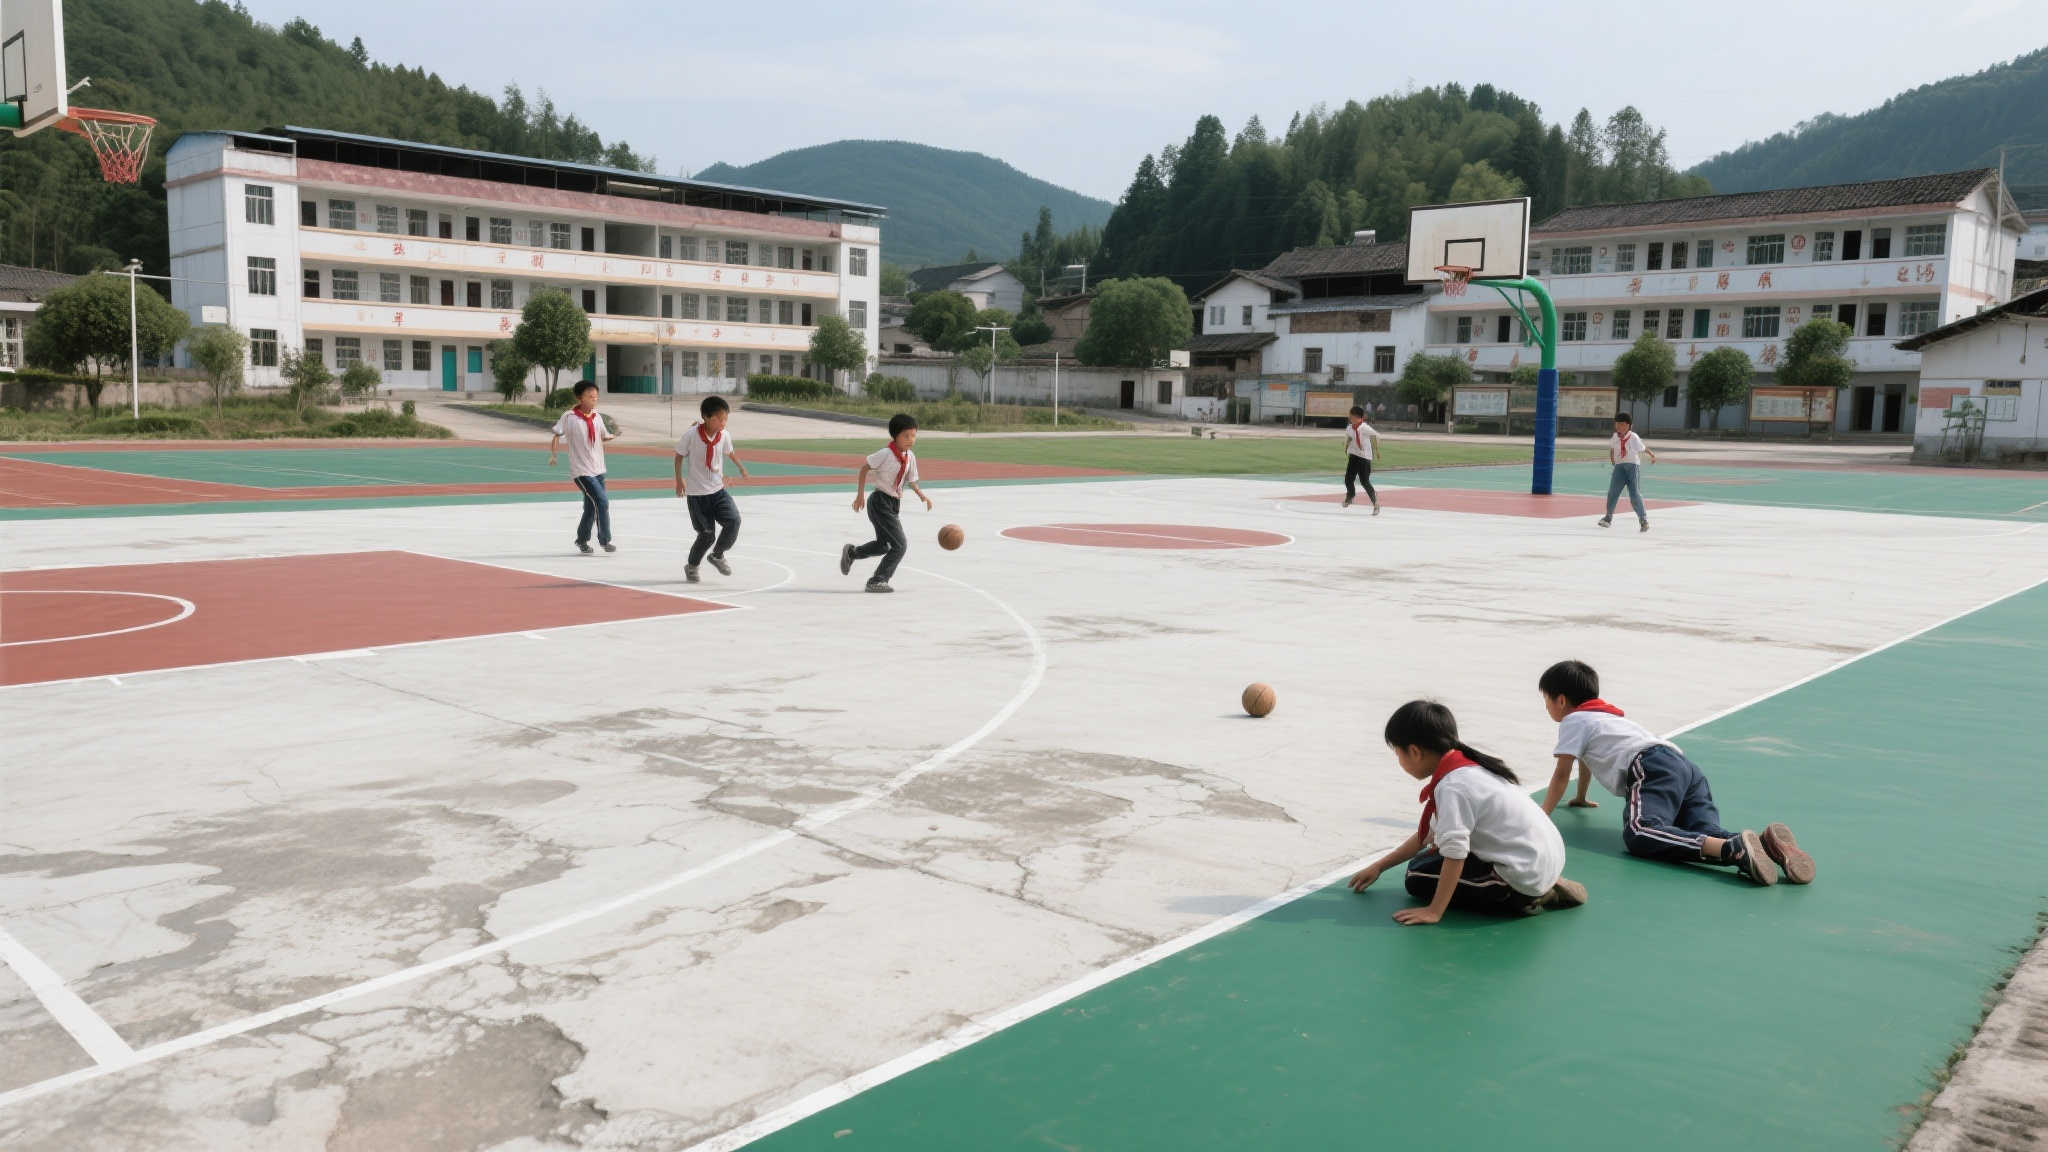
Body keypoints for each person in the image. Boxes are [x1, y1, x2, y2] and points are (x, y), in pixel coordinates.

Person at [1537, 659, 1815, 886]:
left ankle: (1735, 850)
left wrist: (1543, 814)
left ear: (1561, 700)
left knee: (1640, 832)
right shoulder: (1605, 717)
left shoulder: (1573, 721)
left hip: (1650, 765)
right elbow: (1584, 761)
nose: (1547, 707)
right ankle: (1765, 846)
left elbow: (1562, 772)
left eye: (1546, 701)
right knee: (1704, 832)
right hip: (1683, 767)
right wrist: (1581, 796)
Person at [1348, 700, 1587, 924]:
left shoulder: (1453, 787)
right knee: (1428, 860)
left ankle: (1534, 895)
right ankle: (1543, 880)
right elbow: (1427, 834)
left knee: (1416, 876)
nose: (1399, 761)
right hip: (1541, 856)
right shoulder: (1467, 767)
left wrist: (1434, 911)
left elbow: (1455, 853)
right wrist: (1378, 866)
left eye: (1398, 754)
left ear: (1414, 751)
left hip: (1521, 876)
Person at [841, 414, 932, 594]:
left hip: (893, 504)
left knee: (885, 545)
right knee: (900, 545)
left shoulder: (910, 456)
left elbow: (911, 481)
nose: (911, 440)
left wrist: (922, 496)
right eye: (906, 436)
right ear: (895, 435)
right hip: (879, 501)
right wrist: (860, 496)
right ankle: (878, 580)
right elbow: (864, 469)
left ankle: (852, 553)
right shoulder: (886, 453)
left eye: (914, 435)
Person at [674, 395, 750, 583]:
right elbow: (679, 455)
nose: (723, 422)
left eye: (726, 418)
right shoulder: (692, 434)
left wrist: (740, 467)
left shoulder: (724, 435)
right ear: (707, 417)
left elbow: (729, 451)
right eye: (719, 418)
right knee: (707, 535)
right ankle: (692, 566)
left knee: (734, 521)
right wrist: (679, 480)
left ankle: (717, 555)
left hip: (718, 491)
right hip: (697, 496)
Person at [548, 381, 617, 555]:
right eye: (590, 396)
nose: (594, 399)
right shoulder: (569, 416)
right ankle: (605, 539)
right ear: (580, 397)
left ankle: (581, 539)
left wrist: (614, 435)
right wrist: (554, 455)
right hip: (582, 471)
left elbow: (603, 437)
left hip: (599, 469)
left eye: (595, 396)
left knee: (591, 507)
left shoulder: (597, 417)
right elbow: (557, 434)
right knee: (602, 501)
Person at [1600, 412, 1657, 532]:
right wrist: (1613, 461)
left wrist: (1651, 454)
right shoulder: (1615, 437)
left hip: (1632, 467)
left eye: (1621, 424)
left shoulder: (1633, 437)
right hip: (1619, 468)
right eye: (1617, 424)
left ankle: (1643, 520)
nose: (1618, 427)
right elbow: (1612, 449)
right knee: (1612, 493)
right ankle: (1608, 517)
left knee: (1634, 494)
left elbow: (1642, 448)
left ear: (1628, 425)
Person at [1341, 405, 1380, 514]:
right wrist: (1346, 446)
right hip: (1353, 455)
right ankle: (1351, 495)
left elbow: (1375, 436)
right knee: (1348, 479)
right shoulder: (1349, 427)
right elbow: (1349, 437)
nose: (1349, 417)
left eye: (1350, 415)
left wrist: (1376, 450)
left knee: (1364, 481)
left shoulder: (1364, 428)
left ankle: (1375, 502)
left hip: (1364, 457)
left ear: (1355, 416)